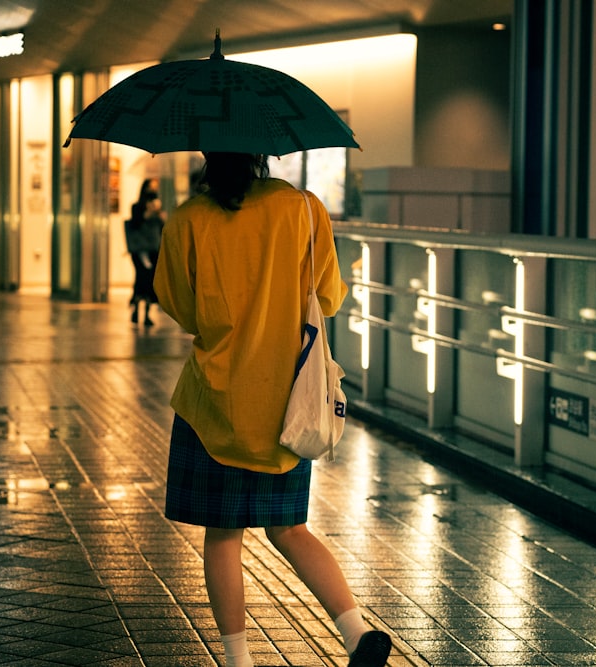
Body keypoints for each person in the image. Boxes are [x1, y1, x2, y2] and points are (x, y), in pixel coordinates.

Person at [153, 152, 391, 667]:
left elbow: (176, 302)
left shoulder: (190, 218)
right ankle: (354, 632)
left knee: (223, 537)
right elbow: (328, 297)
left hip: (214, 402)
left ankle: (239, 661)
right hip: (288, 401)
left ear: (206, 156)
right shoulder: (304, 209)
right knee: (290, 529)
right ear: (262, 154)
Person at [124, 178, 164, 326]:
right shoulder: (137, 207)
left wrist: (159, 214)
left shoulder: (158, 207)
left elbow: (161, 226)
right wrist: (148, 211)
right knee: (142, 278)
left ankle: (145, 312)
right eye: (151, 188)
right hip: (140, 250)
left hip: (153, 249)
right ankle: (136, 310)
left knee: (148, 280)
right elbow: (136, 223)